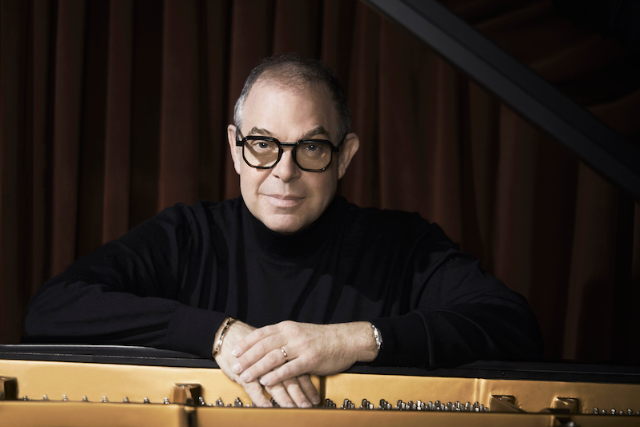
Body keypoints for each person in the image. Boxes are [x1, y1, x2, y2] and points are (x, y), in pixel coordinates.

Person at [25, 54, 543, 409]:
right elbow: (52, 307)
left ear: (345, 156)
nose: (284, 172)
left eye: (311, 148)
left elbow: (513, 324)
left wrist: (353, 340)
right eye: (263, 145)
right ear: (235, 148)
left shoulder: (404, 245)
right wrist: (217, 335)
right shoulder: (188, 235)